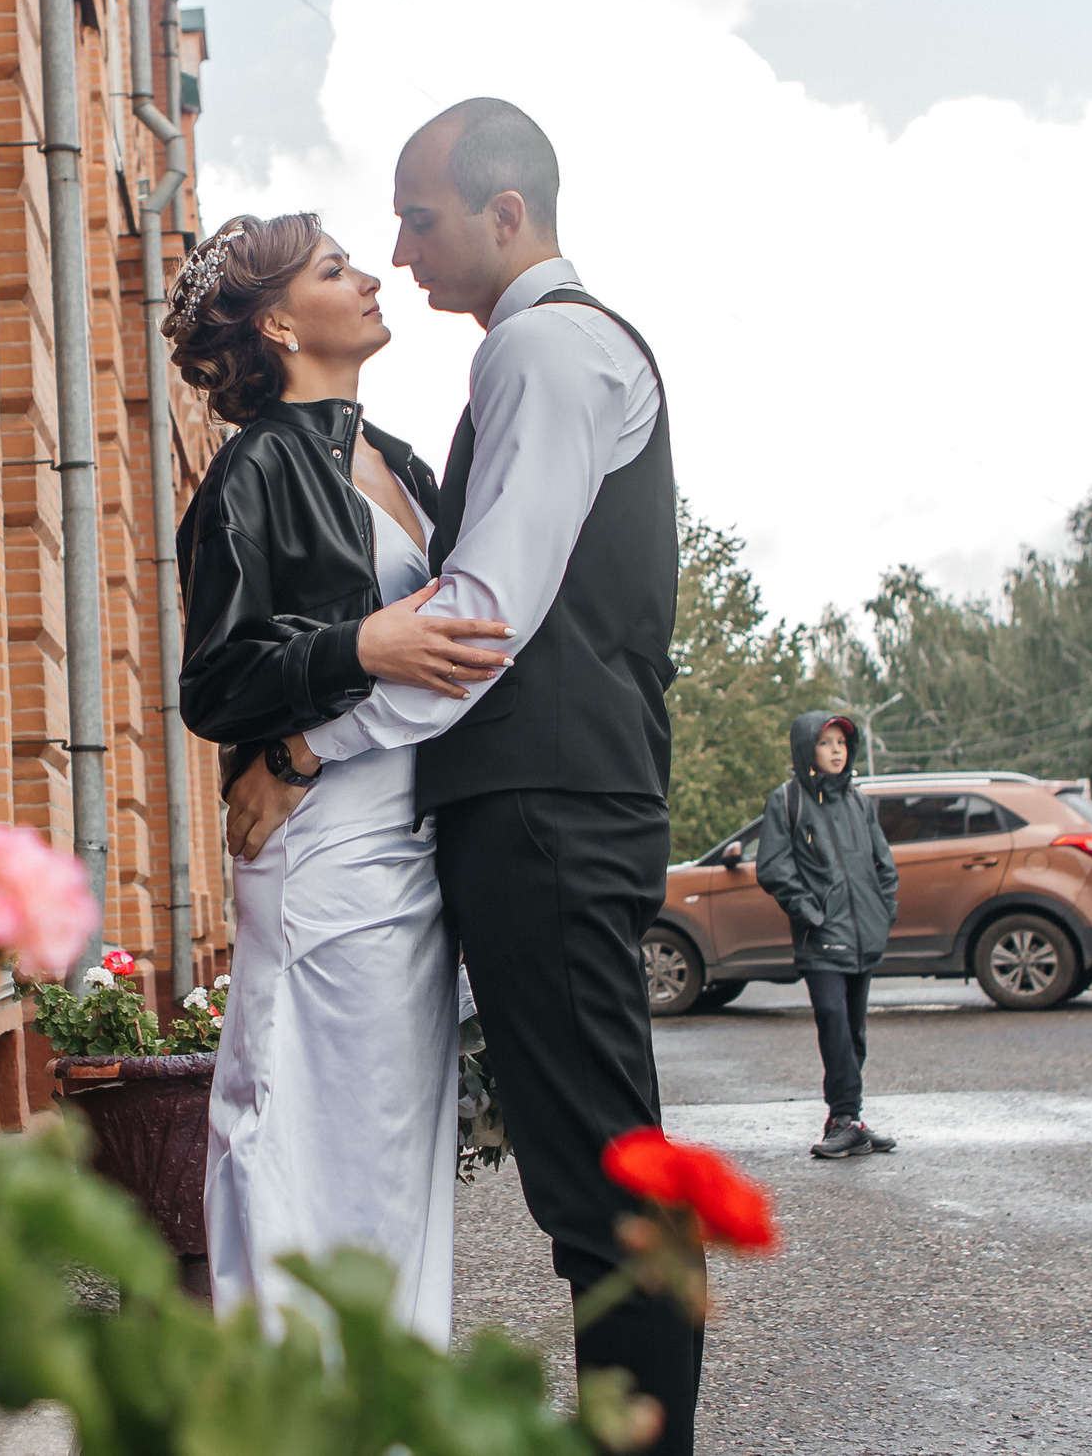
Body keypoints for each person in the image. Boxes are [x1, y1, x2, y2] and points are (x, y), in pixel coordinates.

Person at [220, 100, 700, 1454]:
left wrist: (312, 744)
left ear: (505, 215)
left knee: (602, 1180)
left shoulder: (545, 350)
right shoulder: (540, 352)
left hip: (543, 807)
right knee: (595, 1170)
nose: (397, 245)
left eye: (418, 215)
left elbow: (480, 620)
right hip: (553, 801)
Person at [167, 210, 511, 1344]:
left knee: (390, 1141)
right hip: (319, 857)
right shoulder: (251, 470)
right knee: (291, 1137)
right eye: (333, 269)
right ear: (277, 322)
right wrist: (358, 647)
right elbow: (214, 685)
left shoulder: (398, 458)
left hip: (408, 843)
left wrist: (320, 725)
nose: (370, 278)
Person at [755, 712, 900, 1159]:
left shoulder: (859, 802)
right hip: (821, 938)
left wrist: (883, 912)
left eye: (842, 742)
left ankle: (849, 1118)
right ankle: (844, 1118)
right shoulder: (787, 801)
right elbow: (773, 868)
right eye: (826, 742)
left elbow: (885, 866)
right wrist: (810, 913)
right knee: (833, 1020)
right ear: (807, 749)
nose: (837, 750)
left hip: (863, 938)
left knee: (854, 1029)